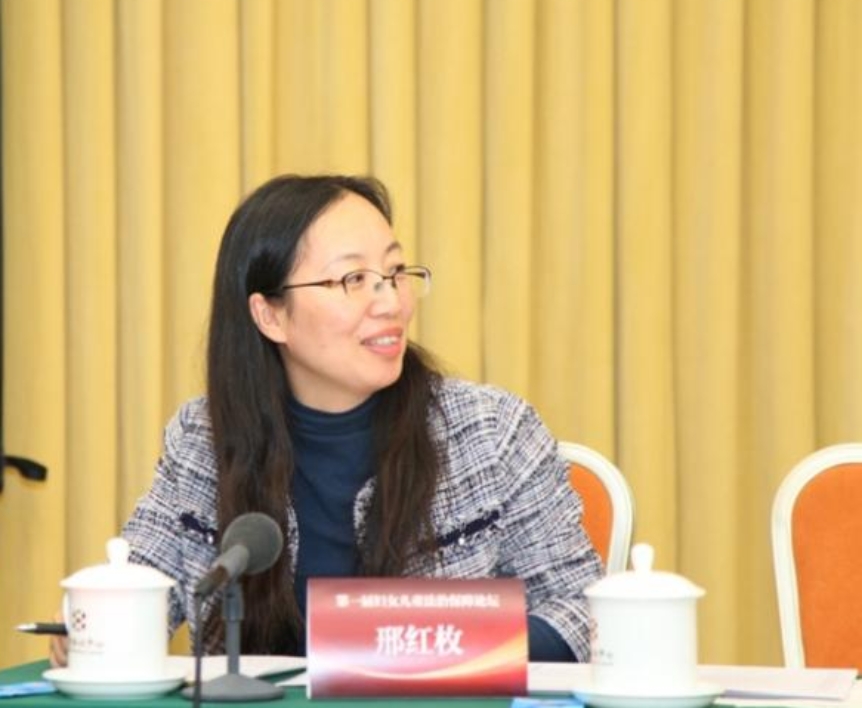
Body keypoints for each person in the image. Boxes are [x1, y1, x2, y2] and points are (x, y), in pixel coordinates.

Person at [50, 174, 604, 667]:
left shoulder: (491, 432)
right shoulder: (203, 439)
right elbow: (145, 579)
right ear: (270, 315)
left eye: (394, 272)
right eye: (352, 279)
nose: (391, 302)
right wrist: (94, 622)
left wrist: (418, 651)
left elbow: (584, 610)